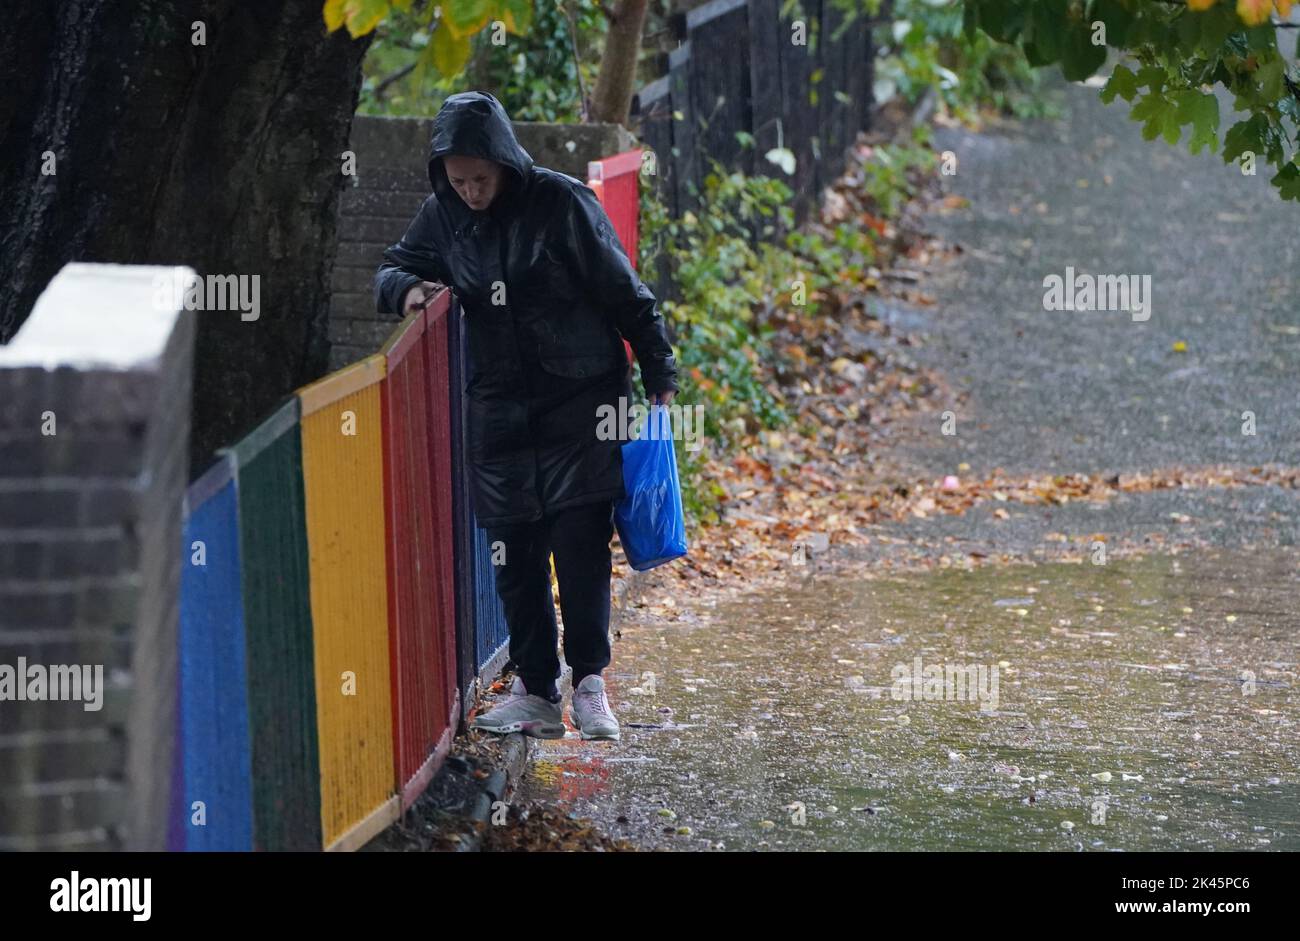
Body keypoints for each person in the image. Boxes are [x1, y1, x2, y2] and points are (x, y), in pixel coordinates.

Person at [373, 91, 679, 741]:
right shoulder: (443, 217)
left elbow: (626, 293)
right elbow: (391, 269)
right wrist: (411, 290)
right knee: (514, 559)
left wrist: (661, 378)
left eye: (481, 178)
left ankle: (590, 683)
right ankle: (537, 691)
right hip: (500, 417)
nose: (472, 191)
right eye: (458, 181)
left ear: (505, 162)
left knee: (579, 550)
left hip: (581, 404)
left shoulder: (563, 203)